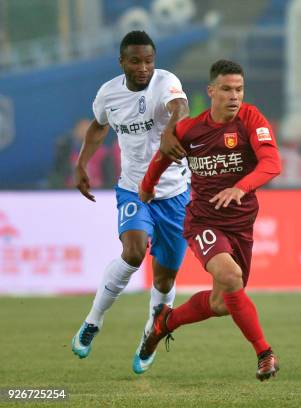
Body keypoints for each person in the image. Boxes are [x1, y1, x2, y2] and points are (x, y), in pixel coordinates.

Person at [134, 59, 282, 381]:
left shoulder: (251, 119)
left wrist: (239, 188)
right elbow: (162, 158)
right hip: (203, 221)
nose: (234, 96)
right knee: (230, 278)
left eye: (239, 89)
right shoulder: (191, 129)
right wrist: (146, 188)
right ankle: (265, 353)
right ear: (211, 91)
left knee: (221, 302)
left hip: (241, 226)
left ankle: (165, 322)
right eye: (227, 89)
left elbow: (272, 164)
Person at [71, 31, 190, 376]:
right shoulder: (108, 94)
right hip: (133, 190)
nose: (143, 68)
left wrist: (172, 129)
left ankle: (148, 338)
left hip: (176, 195)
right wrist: (81, 164)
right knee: (134, 253)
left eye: (149, 61)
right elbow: (97, 127)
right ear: (122, 62)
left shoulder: (166, 82)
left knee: (165, 281)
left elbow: (178, 105)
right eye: (135, 61)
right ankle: (93, 321)